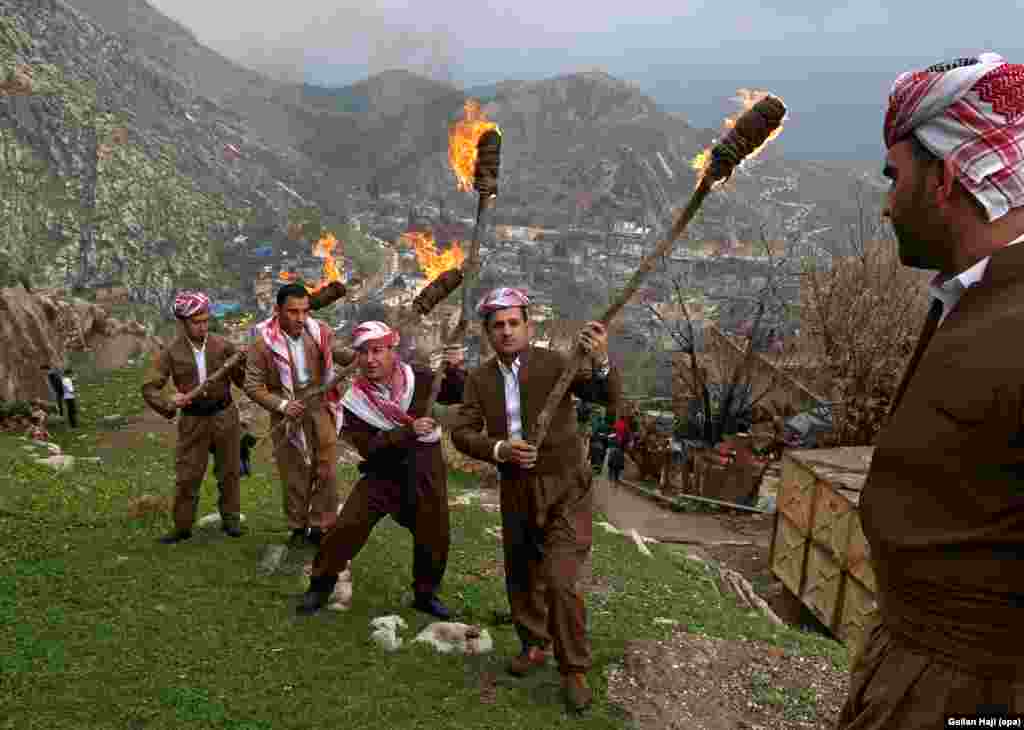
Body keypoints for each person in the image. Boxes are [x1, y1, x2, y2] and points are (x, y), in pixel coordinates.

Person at [836, 53, 1024, 729]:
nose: (887, 205)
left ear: (945, 177)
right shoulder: (977, 295)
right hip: (915, 674)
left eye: (896, 177)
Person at [449, 287, 621, 713]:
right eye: (498, 325)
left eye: (513, 323)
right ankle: (533, 642)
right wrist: (499, 450)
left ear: (528, 326)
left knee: (561, 579)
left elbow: (606, 398)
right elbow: (463, 431)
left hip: (566, 486)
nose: (506, 332)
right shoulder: (480, 379)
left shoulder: (555, 364)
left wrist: (600, 360)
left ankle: (574, 668)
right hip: (516, 485)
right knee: (522, 570)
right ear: (488, 333)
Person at [296, 321, 466, 618]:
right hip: (382, 473)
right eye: (363, 352)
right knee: (347, 527)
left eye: (378, 351)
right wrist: (408, 430)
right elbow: (370, 447)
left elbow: (456, 393)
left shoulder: (421, 378)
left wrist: (454, 370)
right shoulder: (355, 402)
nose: (370, 359)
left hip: (425, 468)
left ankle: (426, 594)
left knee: (434, 533)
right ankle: (320, 586)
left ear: (392, 350)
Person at [244, 283, 357, 548]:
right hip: (286, 414)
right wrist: (282, 405)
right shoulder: (262, 344)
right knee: (294, 472)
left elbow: (338, 353)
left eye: (304, 311)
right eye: (293, 312)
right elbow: (252, 385)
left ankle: (321, 525)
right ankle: (297, 526)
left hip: (319, 408)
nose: (300, 318)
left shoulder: (319, 332)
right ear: (278, 310)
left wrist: (363, 356)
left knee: (326, 468)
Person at [141, 291, 247, 543]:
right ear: (183, 322)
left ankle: (231, 521)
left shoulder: (223, 346)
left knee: (229, 472)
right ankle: (182, 527)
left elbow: (243, 381)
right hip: (193, 421)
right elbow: (149, 387)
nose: (203, 326)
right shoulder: (170, 352)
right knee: (188, 475)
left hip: (225, 415)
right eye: (196, 322)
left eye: (206, 320)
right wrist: (169, 401)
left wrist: (244, 364)